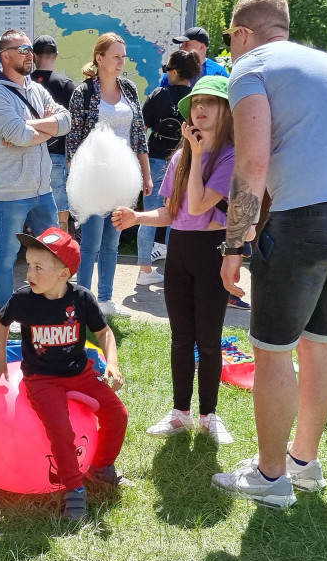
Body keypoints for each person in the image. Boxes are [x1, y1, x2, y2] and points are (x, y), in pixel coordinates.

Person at [211, 0, 327, 509]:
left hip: (300, 222)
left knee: (273, 351)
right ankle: (305, 463)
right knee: (320, 344)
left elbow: (252, 165)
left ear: (241, 33)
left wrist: (233, 244)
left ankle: (270, 475)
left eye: (229, 41)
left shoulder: (250, 67)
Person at [113, 76, 237, 444]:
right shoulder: (182, 156)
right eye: (195, 103)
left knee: (209, 339)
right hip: (180, 250)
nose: (199, 109)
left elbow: (199, 205)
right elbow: (172, 214)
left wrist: (198, 156)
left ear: (226, 111)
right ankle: (180, 412)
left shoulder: (230, 155)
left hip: (213, 249)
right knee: (182, 337)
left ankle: (209, 415)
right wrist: (137, 218)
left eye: (209, 103)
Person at [0, 227, 128, 521]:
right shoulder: (24, 299)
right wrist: (0, 360)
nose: (30, 274)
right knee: (62, 429)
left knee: (118, 413)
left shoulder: (82, 299)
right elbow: (1, 324)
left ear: (64, 274)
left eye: (39, 268)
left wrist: (111, 361)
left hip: (79, 371)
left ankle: (101, 468)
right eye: (28, 265)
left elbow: (105, 332)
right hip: (41, 378)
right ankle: (74, 489)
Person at [0, 30, 71, 310]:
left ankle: (52, 311)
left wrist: (29, 127)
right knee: (7, 257)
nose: (29, 54)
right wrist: (45, 127)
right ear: (5, 56)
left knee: (55, 252)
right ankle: (7, 317)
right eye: (22, 49)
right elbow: (19, 138)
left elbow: (66, 121)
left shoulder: (36, 88)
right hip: (11, 193)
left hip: (42, 188)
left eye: (30, 48)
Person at [66, 33, 154, 318]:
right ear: (99, 58)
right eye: (115, 56)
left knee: (112, 243)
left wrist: (146, 175)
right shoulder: (84, 92)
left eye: (123, 56)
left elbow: (139, 135)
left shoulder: (129, 89)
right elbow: (73, 140)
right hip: (92, 178)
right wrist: (74, 178)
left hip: (122, 178)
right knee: (90, 243)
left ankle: (105, 300)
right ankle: (84, 301)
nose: (121, 61)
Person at [135, 49, 201, 286]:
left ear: (174, 71)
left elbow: (141, 131)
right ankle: (176, 270)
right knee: (178, 218)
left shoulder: (158, 94)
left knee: (149, 217)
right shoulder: (196, 99)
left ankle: (144, 269)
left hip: (153, 162)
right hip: (184, 163)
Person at [32, 35, 77, 234]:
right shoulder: (66, 85)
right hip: (58, 153)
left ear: (34, 56)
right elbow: (74, 124)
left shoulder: (26, 83)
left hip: (28, 152)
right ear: (56, 56)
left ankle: (33, 240)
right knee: (60, 202)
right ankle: (61, 243)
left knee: (29, 201)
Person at [156, 26, 230, 89]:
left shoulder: (218, 73)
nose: (181, 48)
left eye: (187, 44)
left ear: (201, 47)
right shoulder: (173, 72)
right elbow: (157, 99)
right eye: (182, 44)